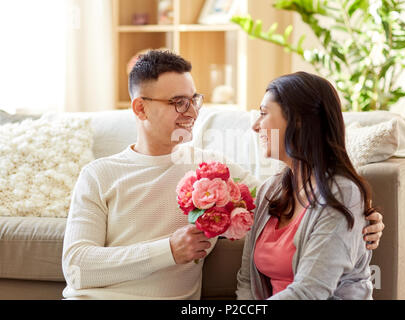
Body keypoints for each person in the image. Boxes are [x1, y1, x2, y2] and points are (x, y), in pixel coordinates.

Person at [62, 50, 383, 299]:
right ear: (140, 108)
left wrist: (364, 222)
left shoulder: (216, 171)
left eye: (193, 100)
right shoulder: (99, 175)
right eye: (177, 102)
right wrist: (168, 251)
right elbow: (76, 267)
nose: (191, 112)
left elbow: (301, 208)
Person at [236, 71, 384, 300]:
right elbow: (247, 280)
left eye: (264, 114)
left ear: (298, 120)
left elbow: (310, 292)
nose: (255, 126)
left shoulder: (342, 194)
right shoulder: (270, 190)